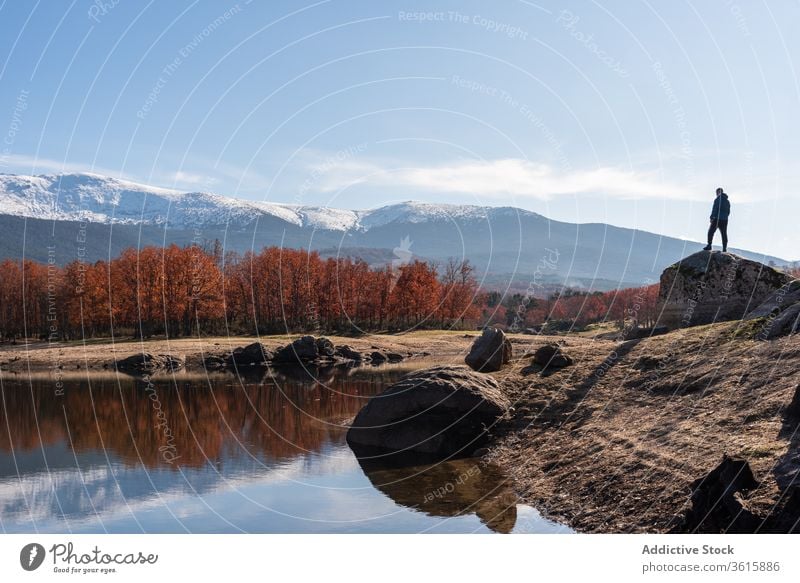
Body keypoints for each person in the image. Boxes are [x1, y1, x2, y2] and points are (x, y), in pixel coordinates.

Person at [704, 187, 730, 252]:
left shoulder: (718, 199)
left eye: (716, 192)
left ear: (718, 192)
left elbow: (715, 209)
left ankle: (709, 245)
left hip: (717, 219)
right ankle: (724, 248)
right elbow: (728, 211)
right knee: (724, 234)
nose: (716, 194)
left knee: (711, 232)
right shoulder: (727, 201)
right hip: (725, 220)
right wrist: (725, 217)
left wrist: (712, 217)